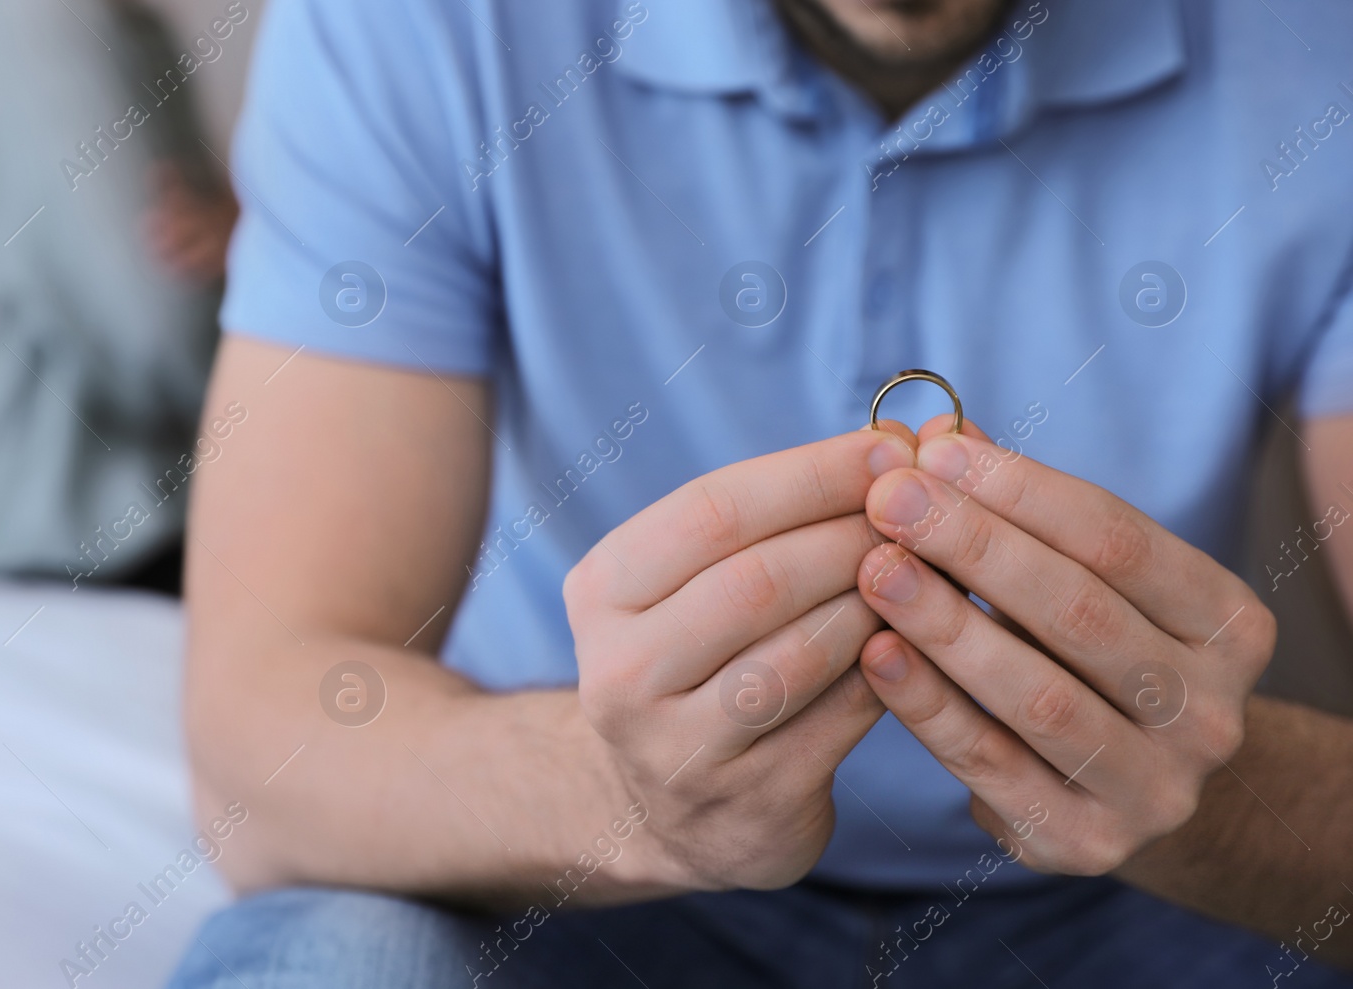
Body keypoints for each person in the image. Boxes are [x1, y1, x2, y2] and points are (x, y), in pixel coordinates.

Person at [169, 0, 1353, 985]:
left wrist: (1214, 795)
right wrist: (624, 793)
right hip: (565, 898)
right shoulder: (421, 24)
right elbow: (260, 750)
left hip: (1143, 913)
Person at [0, 0, 237, 595]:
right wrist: (266, 260)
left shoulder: (132, 32)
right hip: (23, 542)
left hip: (99, 532)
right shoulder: (27, 22)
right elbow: (160, 336)